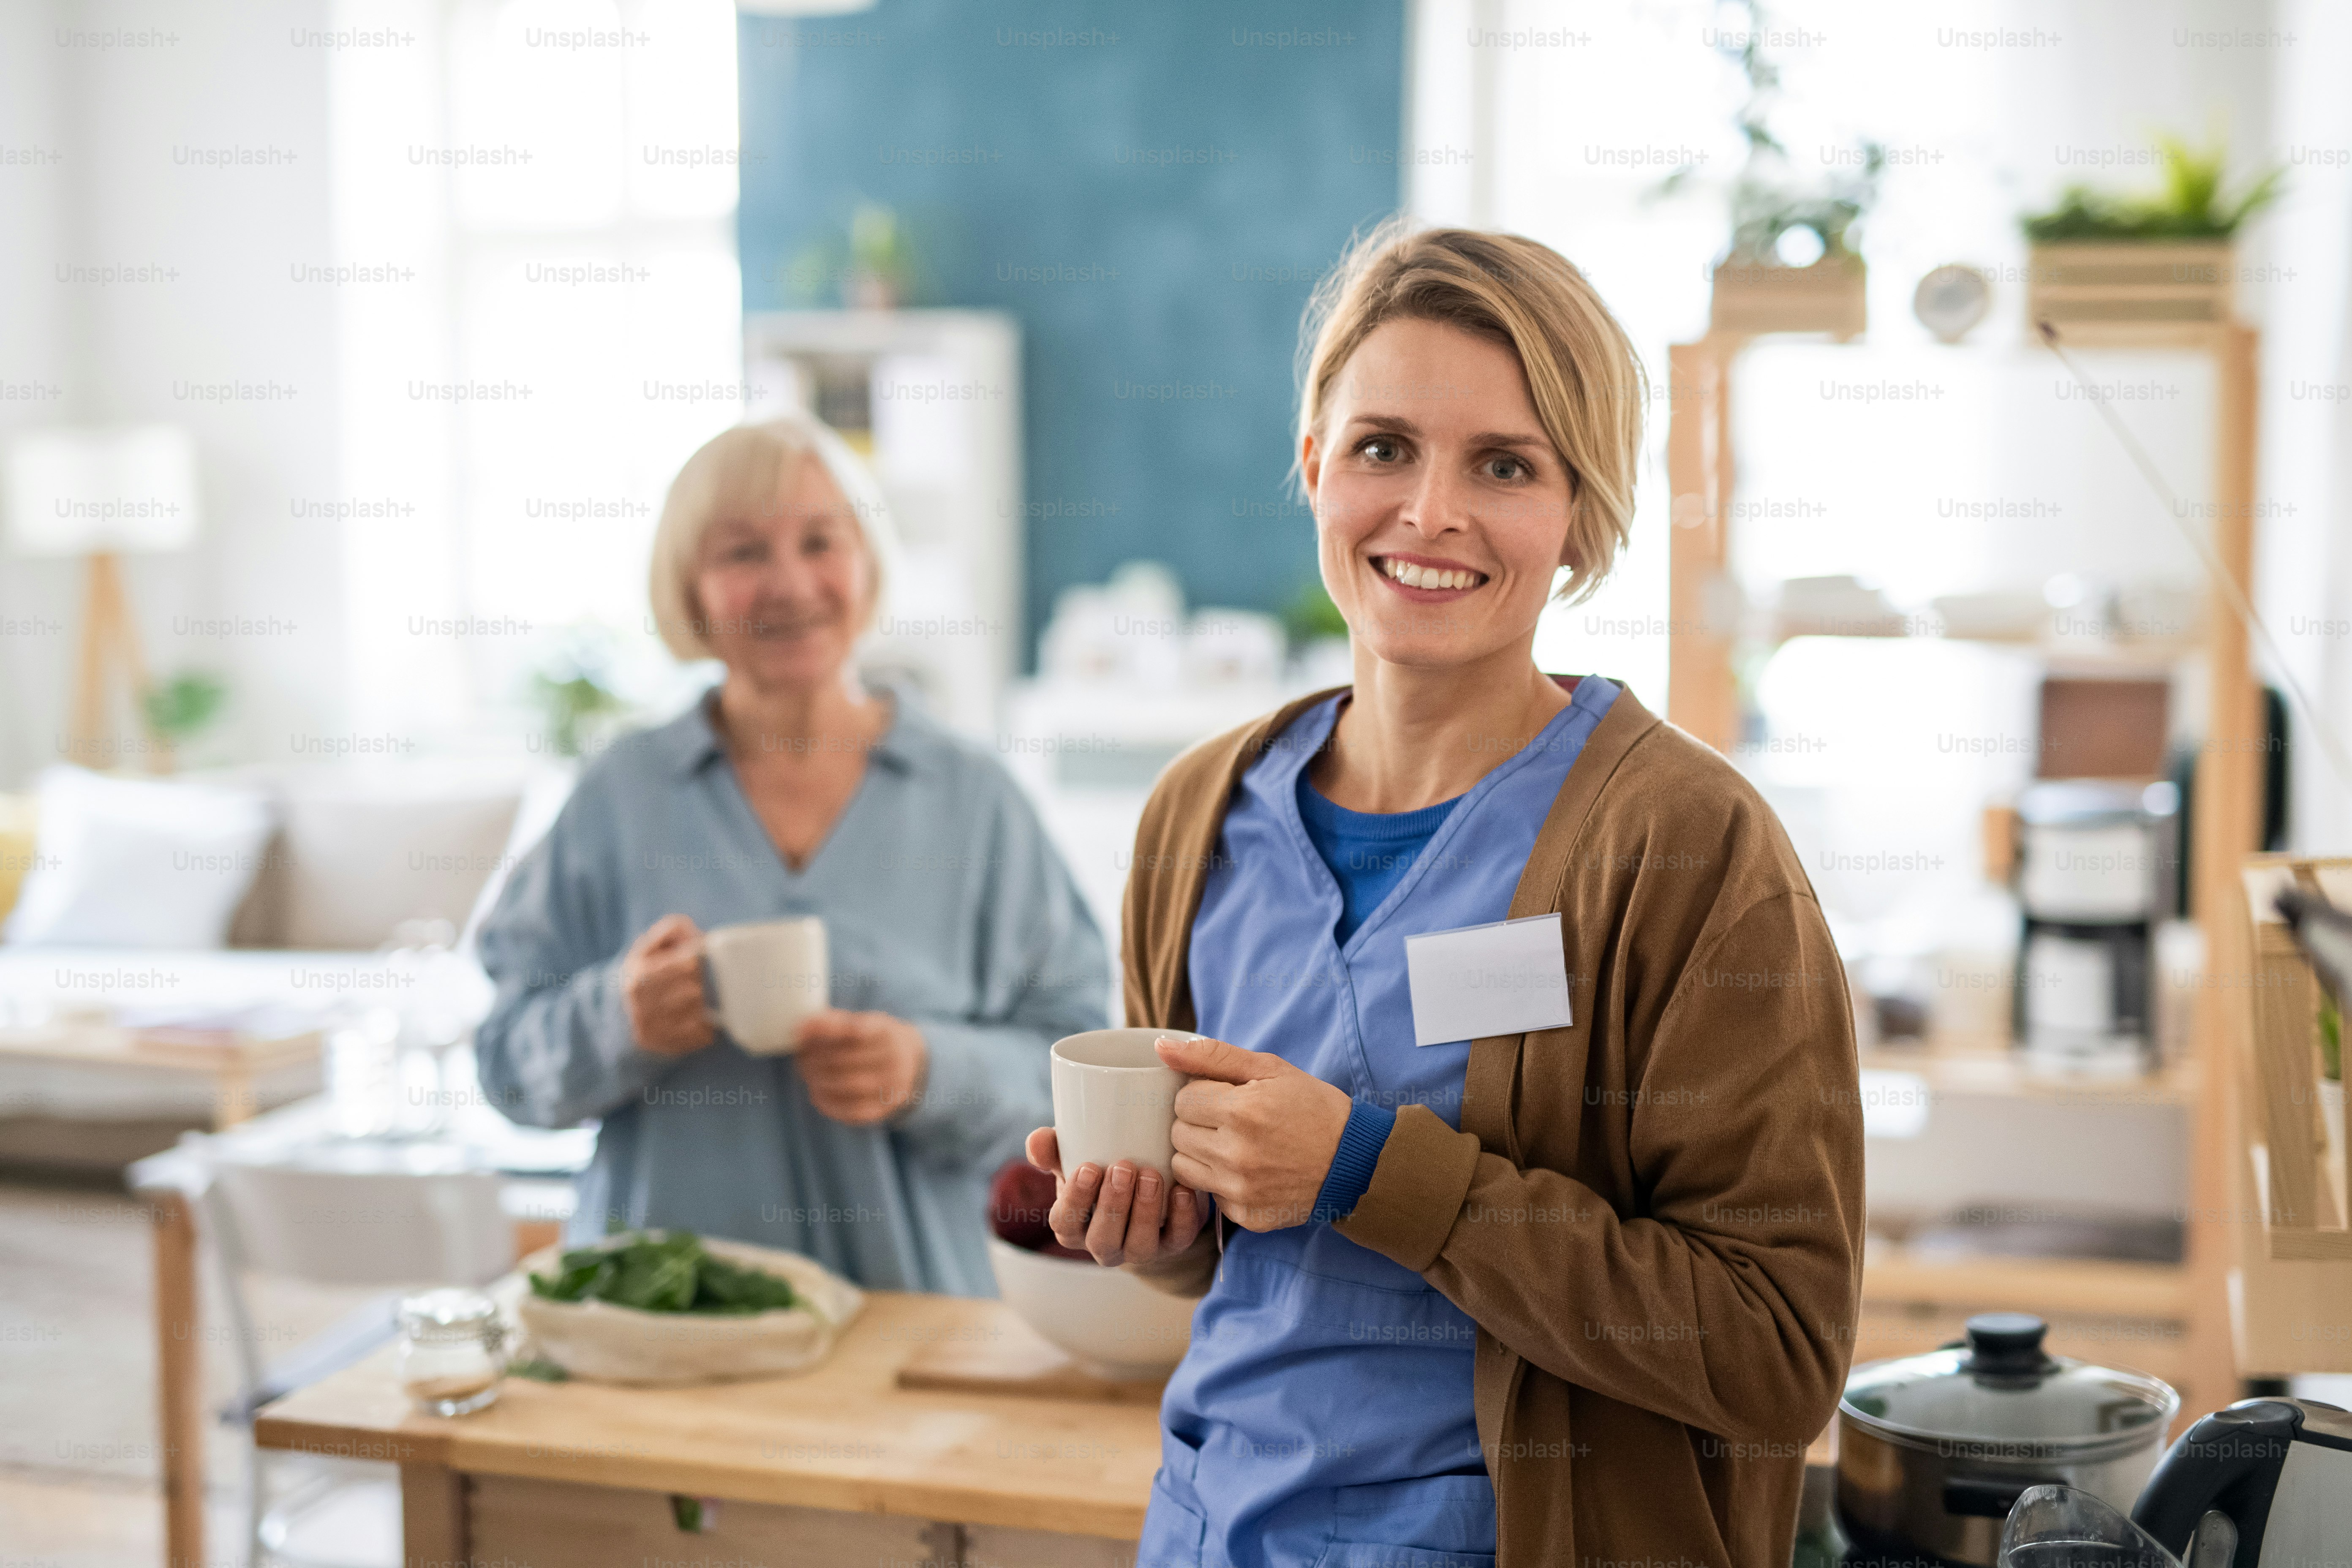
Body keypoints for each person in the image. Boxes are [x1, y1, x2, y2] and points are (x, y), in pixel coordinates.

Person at [1025, 224, 1865, 1568]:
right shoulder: (1199, 819)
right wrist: (1162, 1225)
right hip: (1216, 1530)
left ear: (1581, 518)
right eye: (1382, 448)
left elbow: (1776, 1352)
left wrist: (1371, 1171)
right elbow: (1236, 1277)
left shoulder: (1685, 846)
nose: (1429, 513)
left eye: (1506, 465)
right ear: (1311, 464)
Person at [476, 413, 1108, 1296]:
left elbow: (1080, 1070)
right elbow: (504, 1062)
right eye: (742, 553)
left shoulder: (974, 800)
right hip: (654, 1318)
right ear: (690, 588)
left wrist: (929, 1068)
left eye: (821, 541)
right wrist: (616, 1020)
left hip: (912, 1323)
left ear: (867, 564)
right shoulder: (620, 794)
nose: (790, 582)